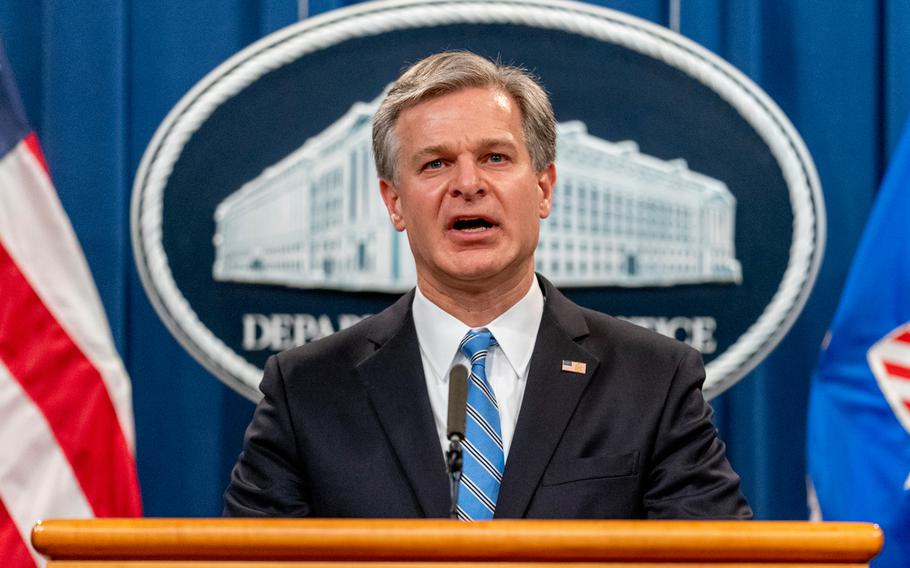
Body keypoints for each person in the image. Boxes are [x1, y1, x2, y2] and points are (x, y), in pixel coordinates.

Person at [223, 50, 751, 520]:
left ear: (543, 188)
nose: (468, 184)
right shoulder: (307, 391)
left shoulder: (653, 381)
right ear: (395, 203)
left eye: (495, 158)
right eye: (436, 163)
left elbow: (719, 562)